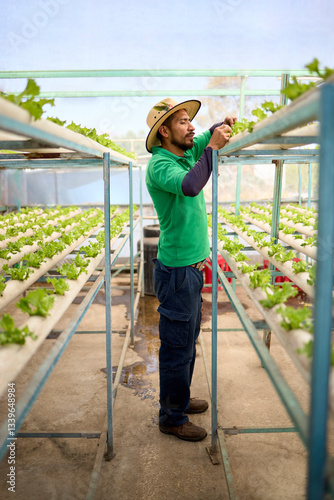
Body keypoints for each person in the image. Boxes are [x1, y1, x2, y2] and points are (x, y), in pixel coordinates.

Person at [145, 97, 236, 441]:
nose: (191, 126)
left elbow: (209, 134)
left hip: (192, 269)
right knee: (176, 345)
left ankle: (179, 401)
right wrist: (211, 148)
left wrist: (221, 124)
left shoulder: (184, 150)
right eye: (182, 122)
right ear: (165, 131)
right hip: (178, 272)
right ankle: (171, 416)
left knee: (187, 340)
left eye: (189, 120)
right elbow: (191, 185)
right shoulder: (160, 164)